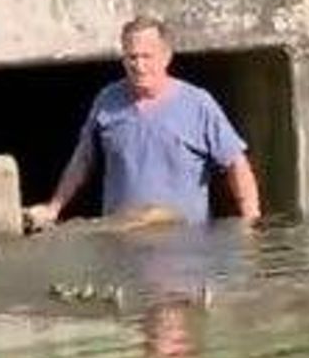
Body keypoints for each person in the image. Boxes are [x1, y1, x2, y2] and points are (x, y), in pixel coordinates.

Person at [26, 15, 260, 229]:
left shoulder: (198, 103)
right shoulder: (107, 100)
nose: (139, 66)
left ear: (166, 56)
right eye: (132, 57)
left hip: (185, 250)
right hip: (122, 248)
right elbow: (83, 159)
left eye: (147, 56)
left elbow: (235, 163)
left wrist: (250, 221)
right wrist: (53, 208)